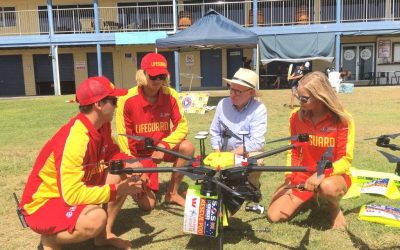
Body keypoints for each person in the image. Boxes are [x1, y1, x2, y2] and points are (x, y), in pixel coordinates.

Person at [20, 76, 145, 250]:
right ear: (99, 105)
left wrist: (130, 163)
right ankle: (50, 239)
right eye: (114, 100)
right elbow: (71, 195)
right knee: (96, 218)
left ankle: (104, 236)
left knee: (119, 171)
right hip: (43, 204)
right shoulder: (75, 139)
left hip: (71, 190)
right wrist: (117, 190)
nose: (117, 105)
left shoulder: (102, 125)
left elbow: (111, 152)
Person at [267, 71, 355, 229]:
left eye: (304, 98)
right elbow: (293, 151)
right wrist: (290, 177)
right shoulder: (295, 117)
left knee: (327, 188)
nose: (299, 101)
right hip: (303, 174)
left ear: (320, 96)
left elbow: (345, 160)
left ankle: (334, 208)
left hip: (333, 175)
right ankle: (309, 197)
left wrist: (320, 174)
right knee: (274, 215)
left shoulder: (343, 120)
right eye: (298, 95)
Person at [116, 52, 194, 210]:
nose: (158, 81)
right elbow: (124, 140)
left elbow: (182, 126)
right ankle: (131, 183)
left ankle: (172, 194)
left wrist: (164, 146)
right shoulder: (126, 100)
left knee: (188, 147)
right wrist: (135, 168)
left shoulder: (171, 95)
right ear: (142, 74)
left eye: (162, 76)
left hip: (161, 149)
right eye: (153, 77)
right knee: (148, 206)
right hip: (138, 156)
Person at [209, 68, 267, 189]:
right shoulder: (222, 104)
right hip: (223, 152)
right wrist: (218, 153)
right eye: (231, 89)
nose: (232, 95)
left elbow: (257, 142)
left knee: (258, 161)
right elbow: (215, 131)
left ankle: (251, 187)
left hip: (245, 153)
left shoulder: (259, 109)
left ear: (251, 92)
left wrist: (231, 156)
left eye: (238, 92)